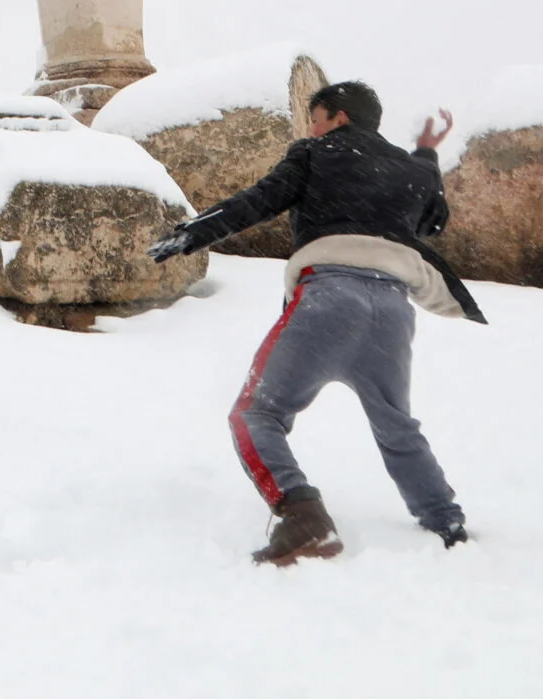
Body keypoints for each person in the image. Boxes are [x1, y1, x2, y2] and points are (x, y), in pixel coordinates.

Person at [149, 81, 485, 565]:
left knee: (255, 415)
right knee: (396, 425)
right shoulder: (411, 169)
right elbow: (432, 221)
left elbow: (260, 199)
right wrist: (426, 155)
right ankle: (446, 523)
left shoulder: (314, 153)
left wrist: (193, 233)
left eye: (316, 118)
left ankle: (303, 516)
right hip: (392, 309)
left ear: (339, 117)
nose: (311, 129)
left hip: (329, 298)